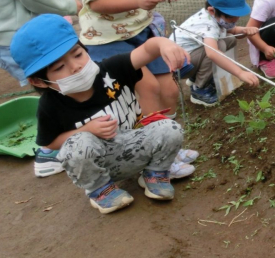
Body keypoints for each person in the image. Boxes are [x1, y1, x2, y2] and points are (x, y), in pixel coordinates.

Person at [10, 15, 191, 215]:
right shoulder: (50, 105)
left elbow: (146, 51)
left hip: (136, 145)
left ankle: (154, 173)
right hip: (100, 164)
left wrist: (163, 44)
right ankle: (101, 190)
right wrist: (85, 130)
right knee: (76, 145)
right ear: (39, 81)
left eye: (77, 54)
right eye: (60, 67)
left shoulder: (110, 70)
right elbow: (51, 143)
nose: (76, 66)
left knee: (169, 127)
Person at [171, 0, 260, 106]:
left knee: (228, 39)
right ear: (212, 11)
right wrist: (240, 73)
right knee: (217, 46)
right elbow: (212, 53)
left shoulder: (216, 17)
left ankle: (198, 77)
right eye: (231, 20)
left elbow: (233, 31)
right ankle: (199, 89)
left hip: (190, 57)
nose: (233, 23)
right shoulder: (208, 24)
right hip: (178, 66)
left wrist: (245, 30)